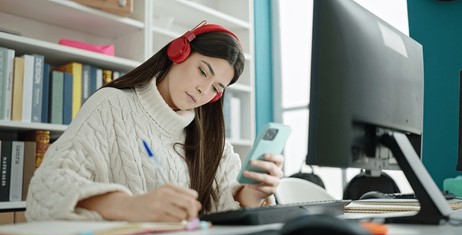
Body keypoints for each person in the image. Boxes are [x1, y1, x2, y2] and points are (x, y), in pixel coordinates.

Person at [26, 21, 284, 223]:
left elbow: (221, 207)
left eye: (216, 88)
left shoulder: (211, 138)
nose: (203, 90)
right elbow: (45, 190)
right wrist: (130, 206)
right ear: (178, 52)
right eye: (203, 71)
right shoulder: (112, 105)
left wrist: (249, 195)